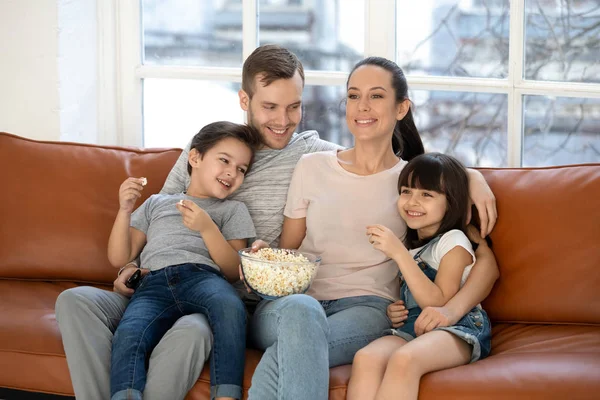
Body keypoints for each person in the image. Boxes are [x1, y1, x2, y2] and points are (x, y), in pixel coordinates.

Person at [55, 45, 497, 400]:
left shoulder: (314, 153)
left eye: (294, 107)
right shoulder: (210, 150)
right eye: (269, 107)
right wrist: (128, 271)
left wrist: (468, 175)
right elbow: (160, 217)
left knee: (276, 325)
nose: (282, 121)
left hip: (286, 302)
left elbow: (392, 161)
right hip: (210, 290)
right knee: (76, 303)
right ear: (245, 100)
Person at [245, 56, 499, 399]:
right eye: (353, 95)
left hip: (368, 308)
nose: (362, 106)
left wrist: (471, 176)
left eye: (376, 96)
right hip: (293, 303)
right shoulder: (312, 165)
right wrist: (265, 255)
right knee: (302, 315)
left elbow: (481, 256)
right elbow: (289, 248)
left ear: (401, 108)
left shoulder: (413, 186)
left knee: (292, 348)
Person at [107, 122, 260, 400]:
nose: (232, 172)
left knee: (230, 307)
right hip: (152, 284)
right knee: (129, 333)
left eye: (241, 169)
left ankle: (226, 394)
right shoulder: (157, 203)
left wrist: (207, 227)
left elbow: (232, 272)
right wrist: (125, 210)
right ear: (195, 158)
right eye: (224, 160)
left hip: (203, 279)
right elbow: (120, 256)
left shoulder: (234, 209)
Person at [346, 152, 492, 400]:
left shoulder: (453, 242)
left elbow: (438, 303)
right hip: (413, 328)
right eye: (406, 191)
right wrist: (397, 310)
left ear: (452, 202)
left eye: (426, 195)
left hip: (457, 329)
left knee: (404, 359)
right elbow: (416, 299)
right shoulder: (415, 249)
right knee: (366, 357)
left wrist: (399, 254)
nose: (412, 202)